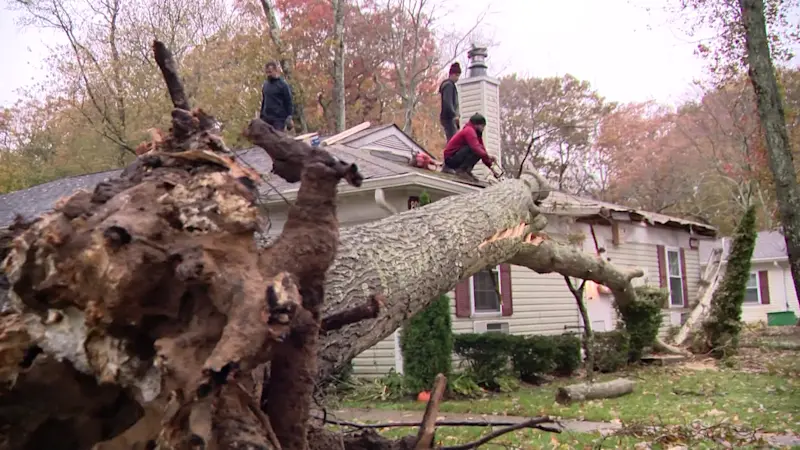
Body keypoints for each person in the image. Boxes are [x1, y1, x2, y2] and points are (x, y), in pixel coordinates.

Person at [442, 113, 495, 179]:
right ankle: (462, 171)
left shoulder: (477, 134)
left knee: (480, 151)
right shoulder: (469, 131)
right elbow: (475, 148)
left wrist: (492, 168)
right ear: (477, 125)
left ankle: (467, 171)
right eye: (483, 126)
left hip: (457, 156)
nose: (483, 129)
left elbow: (482, 151)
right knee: (475, 149)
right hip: (450, 158)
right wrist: (488, 156)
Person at [260, 61, 294, 132]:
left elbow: (289, 101)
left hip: (279, 119)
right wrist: (261, 116)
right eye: (267, 72)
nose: (268, 74)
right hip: (266, 118)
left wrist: (289, 116)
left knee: (277, 140)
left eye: (270, 72)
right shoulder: (265, 85)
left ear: (276, 71)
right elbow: (264, 101)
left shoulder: (283, 85)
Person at [439, 62, 461, 142]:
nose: (457, 78)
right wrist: (454, 115)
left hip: (449, 118)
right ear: (452, 74)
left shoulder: (450, 86)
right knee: (453, 140)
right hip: (449, 118)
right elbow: (448, 102)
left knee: (453, 138)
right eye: (457, 76)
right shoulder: (449, 86)